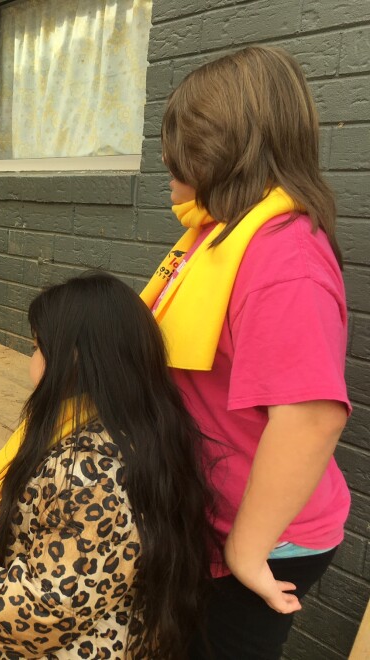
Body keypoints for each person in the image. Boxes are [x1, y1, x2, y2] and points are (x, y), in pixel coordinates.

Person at [140, 45, 351, 659]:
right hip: (213, 514)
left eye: (179, 158)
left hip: (262, 539)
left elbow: (311, 417)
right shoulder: (220, 235)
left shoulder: (284, 262)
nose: (170, 172)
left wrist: (247, 548)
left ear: (220, 154)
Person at [0, 272, 216, 659]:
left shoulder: (93, 473)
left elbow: (39, 611)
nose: (31, 359)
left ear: (73, 358)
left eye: (37, 347)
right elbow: (14, 492)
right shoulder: (115, 423)